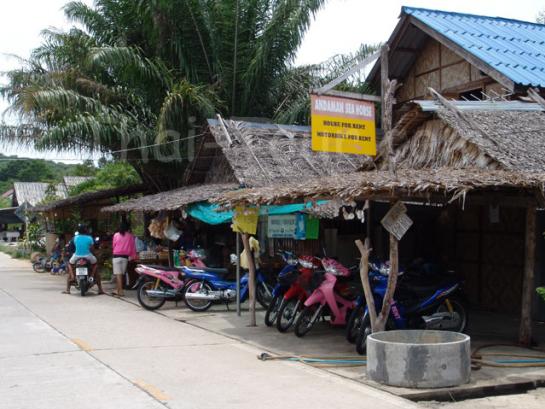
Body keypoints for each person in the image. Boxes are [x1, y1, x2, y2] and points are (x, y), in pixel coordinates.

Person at [64, 224, 103, 295]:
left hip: (77, 256)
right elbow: (92, 249)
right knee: (95, 264)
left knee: (70, 264)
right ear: (86, 230)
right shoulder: (89, 238)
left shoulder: (75, 238)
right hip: (88, 256)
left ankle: (68, 287)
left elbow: (70, 248)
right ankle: (99, 287)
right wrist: (94, 253)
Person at [111, 220, 137, 297]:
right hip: (125, 257)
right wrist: (134, 256)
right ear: (127, 228)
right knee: (121, 275)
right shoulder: (130, 236)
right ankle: (118, 290)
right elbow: (133, 247)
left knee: (118, 275)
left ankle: (120, 291)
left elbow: (113, 245)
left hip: (116, 256)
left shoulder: (116, 235)